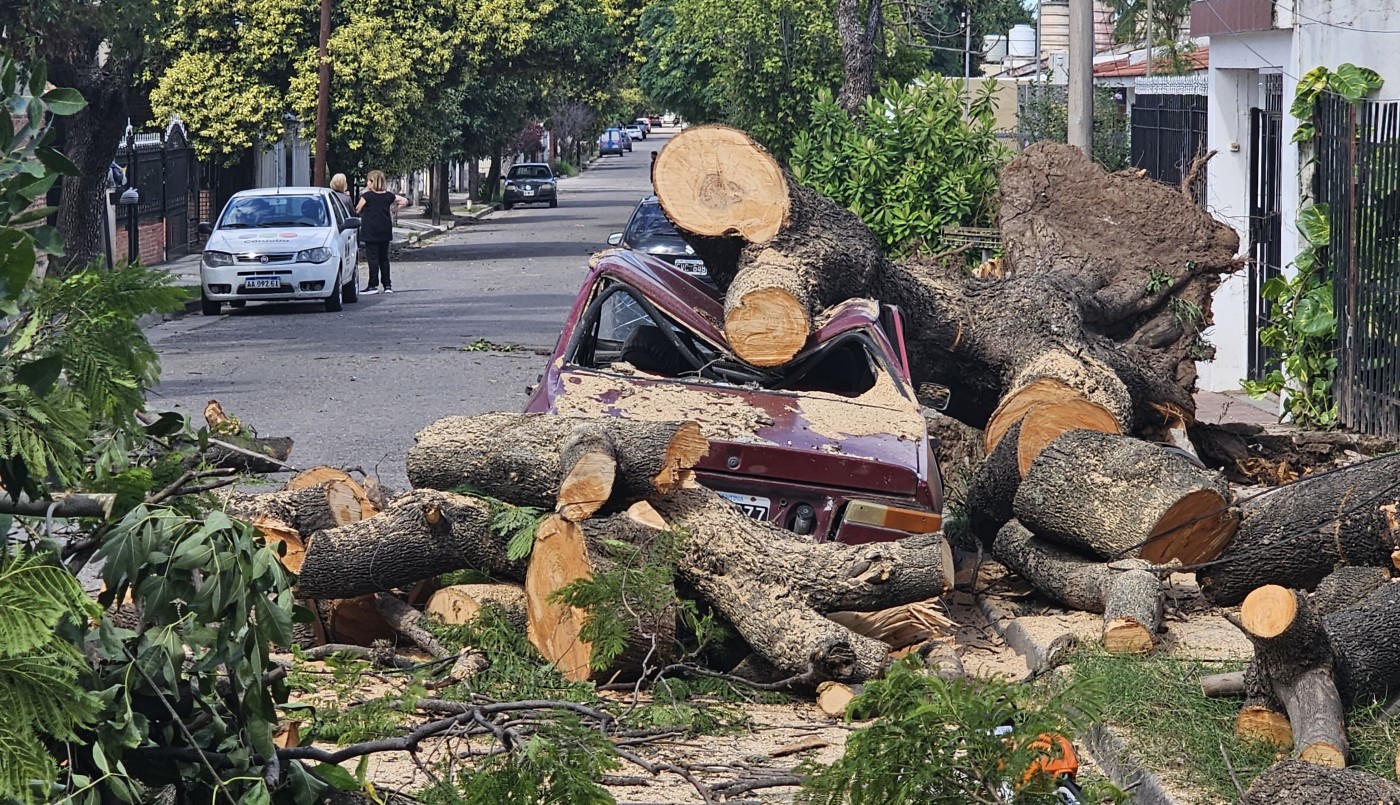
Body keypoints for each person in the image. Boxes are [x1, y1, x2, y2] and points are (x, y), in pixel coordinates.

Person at [355, 170, 408, 295]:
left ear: (372, 182)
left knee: (373, 258)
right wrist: (394, 209)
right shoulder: (388, 196)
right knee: (384, 258)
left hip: (371, 230)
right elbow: (404, 201)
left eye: (368, 181)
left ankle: (372, 285)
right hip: (385, 229)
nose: (367, 183)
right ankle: (387, 285)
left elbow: (357, 209)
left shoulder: (367, 196)